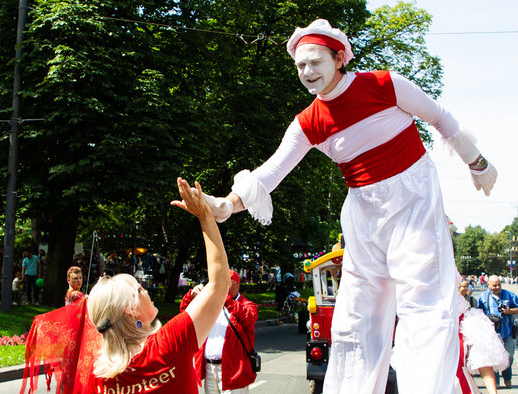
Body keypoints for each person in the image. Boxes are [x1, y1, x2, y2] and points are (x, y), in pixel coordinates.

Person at [197, 18, 497, 393]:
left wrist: (477, 161)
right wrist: (227, 204)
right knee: (356, 317)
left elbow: (440, 117)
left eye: (315, 62)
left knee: (424, 304)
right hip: (364, 212)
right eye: (300, 65)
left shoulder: (384, 84)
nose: (306, 72)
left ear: (339, 58)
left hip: (413, 200)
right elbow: (270, 172)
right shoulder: (308, 122)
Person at [85, 178, 230, 393]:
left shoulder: (99, 375)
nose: (147, 292)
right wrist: (205, 216)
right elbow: (220, 283)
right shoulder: (169, 342)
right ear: (130, 309)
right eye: (140, 289)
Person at [179, 269, 258, 393]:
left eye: (225, 285)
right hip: (210, 368)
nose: (219, 288)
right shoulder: (210, 304)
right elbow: (186, 314)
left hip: (233, 370)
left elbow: (248, 318)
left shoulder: (246, 305)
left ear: (236, 286)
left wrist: (224, 299)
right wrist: (191, 296)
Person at [477, 275, 518, 388]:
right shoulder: (482, 297)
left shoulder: (509, 295)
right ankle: (495, 383)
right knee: (492, 358)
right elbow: (477, 313)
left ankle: (507, 377)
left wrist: (510, 311)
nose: (497, 287)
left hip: (506, 332)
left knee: (508, 356)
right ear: (488, 285)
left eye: (498, 284)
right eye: (494, 285)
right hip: (490, 334)